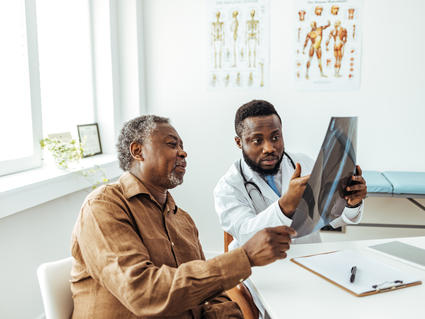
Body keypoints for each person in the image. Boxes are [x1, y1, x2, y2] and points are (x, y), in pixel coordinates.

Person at [70, 115, 296, 319]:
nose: (183, 152)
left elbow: (211, 296)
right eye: (171, 144)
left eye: (182, 146)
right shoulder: (104, 206)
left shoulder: (182, 221)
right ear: (137, 151)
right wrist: (244, 257)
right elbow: (143, 294)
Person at [214, 100, 367, 317]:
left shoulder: (302, 163)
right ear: (239, 142)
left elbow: (331, 217)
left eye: (275, 137)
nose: (269, 148)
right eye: (257, 140)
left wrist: (352, 203)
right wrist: (285, 206)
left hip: (311, 262)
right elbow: (247, 234)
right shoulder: (228, 187)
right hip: (265, 274)